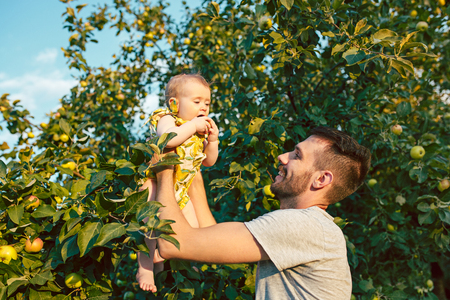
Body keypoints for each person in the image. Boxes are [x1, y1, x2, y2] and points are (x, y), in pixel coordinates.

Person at [154, 126, 371, 299]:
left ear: (321, 179)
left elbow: (173, 241)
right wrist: (191, 169)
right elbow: (207, 237)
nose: (282, 157)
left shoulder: (303, 226)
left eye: (297, 155)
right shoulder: (313, 228)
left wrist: (165, 167)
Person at [136, 73, 219, 292]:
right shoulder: (168, 119)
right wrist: (193, 127)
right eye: (197, 101)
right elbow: (168, 139)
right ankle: (144, 267)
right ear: (174, 103)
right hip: (155, 183)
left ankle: (166, 259)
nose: (203, 107)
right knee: (150, 223)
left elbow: (209, 162)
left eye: (207, 103)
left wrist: (213, 141)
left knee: (192, 230)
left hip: (180, 191)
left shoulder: (197, 131)